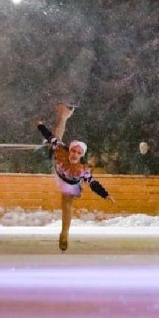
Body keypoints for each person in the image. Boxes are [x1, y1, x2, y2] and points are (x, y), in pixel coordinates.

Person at [37, 103, 113, 251]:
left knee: (66, 205)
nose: (75, 155)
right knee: (56, 140)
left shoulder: (82, 170)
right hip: (59, 168)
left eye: (78, 154)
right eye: (73, 151)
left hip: (70, 183)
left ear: (81, 156)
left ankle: (64, 233)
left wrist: (105, 194)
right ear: (69, 150)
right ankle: (64, 115)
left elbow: (93, 183)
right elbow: (49, 136)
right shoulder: (62, 151)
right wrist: (40, 125)